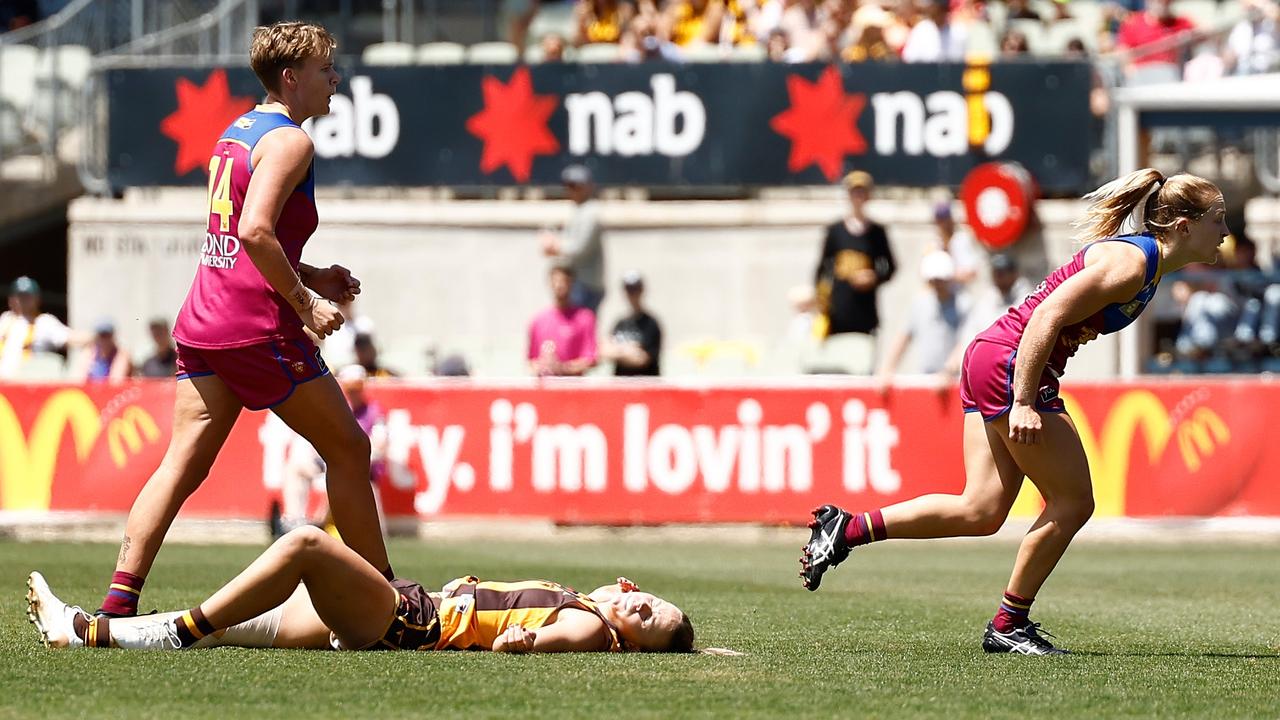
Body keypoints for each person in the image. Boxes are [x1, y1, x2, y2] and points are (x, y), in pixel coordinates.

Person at [799, 168, 1229, 655]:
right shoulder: (1133, 265)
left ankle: (847, 528)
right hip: (1011, 363)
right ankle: (1009, 623)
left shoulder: (1144, 265)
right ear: (1184, 225)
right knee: (1074, 503)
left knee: (980, 510)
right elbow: (1046, 316)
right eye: (1219, 218)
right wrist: (1023, 399)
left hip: (993, 355)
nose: (1226, 232)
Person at [92, 21, 393, 620]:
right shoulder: (291, 143)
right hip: (256, 328)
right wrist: (306, 304)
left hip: (204, 322)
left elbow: (243, 237)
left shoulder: (239, 132)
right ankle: (386, 599)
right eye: (325, 69)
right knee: (350, 449)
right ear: (291, 78)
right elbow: (254, 231)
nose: (335, 79)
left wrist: (311, 275)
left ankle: (118, 601)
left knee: (180, 467)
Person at [27, 527, 694, 654]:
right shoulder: (586, 595)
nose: (643, 610)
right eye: (655, 603)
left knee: (307, 544)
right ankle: (86, 631)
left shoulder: (589, 627)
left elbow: (554, 638)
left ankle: (172, 633)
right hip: (404, 607)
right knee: (240, 623)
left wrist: (530, 640)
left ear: (630, 642)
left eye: (649, 624)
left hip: (407, 620)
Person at [274, 364, 391, 538]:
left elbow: (380, 447)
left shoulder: (374, 412)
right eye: (350, 389)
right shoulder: (338, 408)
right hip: (333, 460)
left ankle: (319, 523)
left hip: (362, 468)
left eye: (356, 389)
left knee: (342, 469)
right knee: (296, 466)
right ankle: (294, 522)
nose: (353, 393)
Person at [812, 170, 895, 374]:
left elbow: (891, 267)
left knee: (863, 367)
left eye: (862, 192)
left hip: (865, 314)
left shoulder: (877, 232)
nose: (858, 197)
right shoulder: (836, 231)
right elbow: (822, 268)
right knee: (837, 368)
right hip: (838, 313)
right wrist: (821, 301)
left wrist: (873, 277)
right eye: (854, 192)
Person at [875, 250, 970, 385]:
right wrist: (887, 368)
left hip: (955, 381)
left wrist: (948, 370)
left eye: (941, 280)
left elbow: (967, 340)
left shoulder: (963, 304)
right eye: (933, 280)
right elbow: (903, 336)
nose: (937, 284)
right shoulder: (920, 304)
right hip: (926, 377)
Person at [539, 164, 606, 315]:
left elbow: (580, 248)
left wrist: (555, 246)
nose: (571, 190)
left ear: (588, 186)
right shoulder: (579, 210)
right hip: (577, 283)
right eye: (569, 185)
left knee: (581, 328)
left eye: (576, 185)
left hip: (587, 285)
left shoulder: (591, 212)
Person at [529, 264, 598, 377]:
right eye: (555, 281)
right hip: (546, 388)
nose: (559, 285)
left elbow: (591, 359)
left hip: (573, 387)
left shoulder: (585, 318)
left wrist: (563, 368)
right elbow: (531, 360)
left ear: (571, 284)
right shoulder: (538, 320)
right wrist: (543, 367)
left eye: (563, 281)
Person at [0, 276, 72, 379]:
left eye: (27, 297)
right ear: (10, 300)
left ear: (37, 299)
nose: (23, 300)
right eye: (19, 296)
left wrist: (96, 336)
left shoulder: (44, 322)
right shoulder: (5, 319)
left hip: (27, 383)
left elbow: (70, 338)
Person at [603, 271, 662, 376]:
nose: (632, 294)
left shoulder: (651, 324)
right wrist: (628, 350)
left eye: (635, 289)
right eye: (629, 290)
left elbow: (642, 360)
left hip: (645, 385)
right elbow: (605, 352)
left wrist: (618, 351)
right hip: (621, 385)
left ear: (642, 290)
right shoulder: (620, 323)